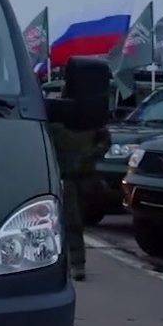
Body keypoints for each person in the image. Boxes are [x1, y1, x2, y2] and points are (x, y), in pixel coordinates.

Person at [48, 117, 111, 282]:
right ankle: (76, 263)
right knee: (72, 220)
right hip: (66, 175)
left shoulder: (89, 122)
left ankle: (71, 261)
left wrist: (94, 152)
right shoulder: (56, 124)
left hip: (85, 176)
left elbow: (104, 139)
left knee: (78, 221)